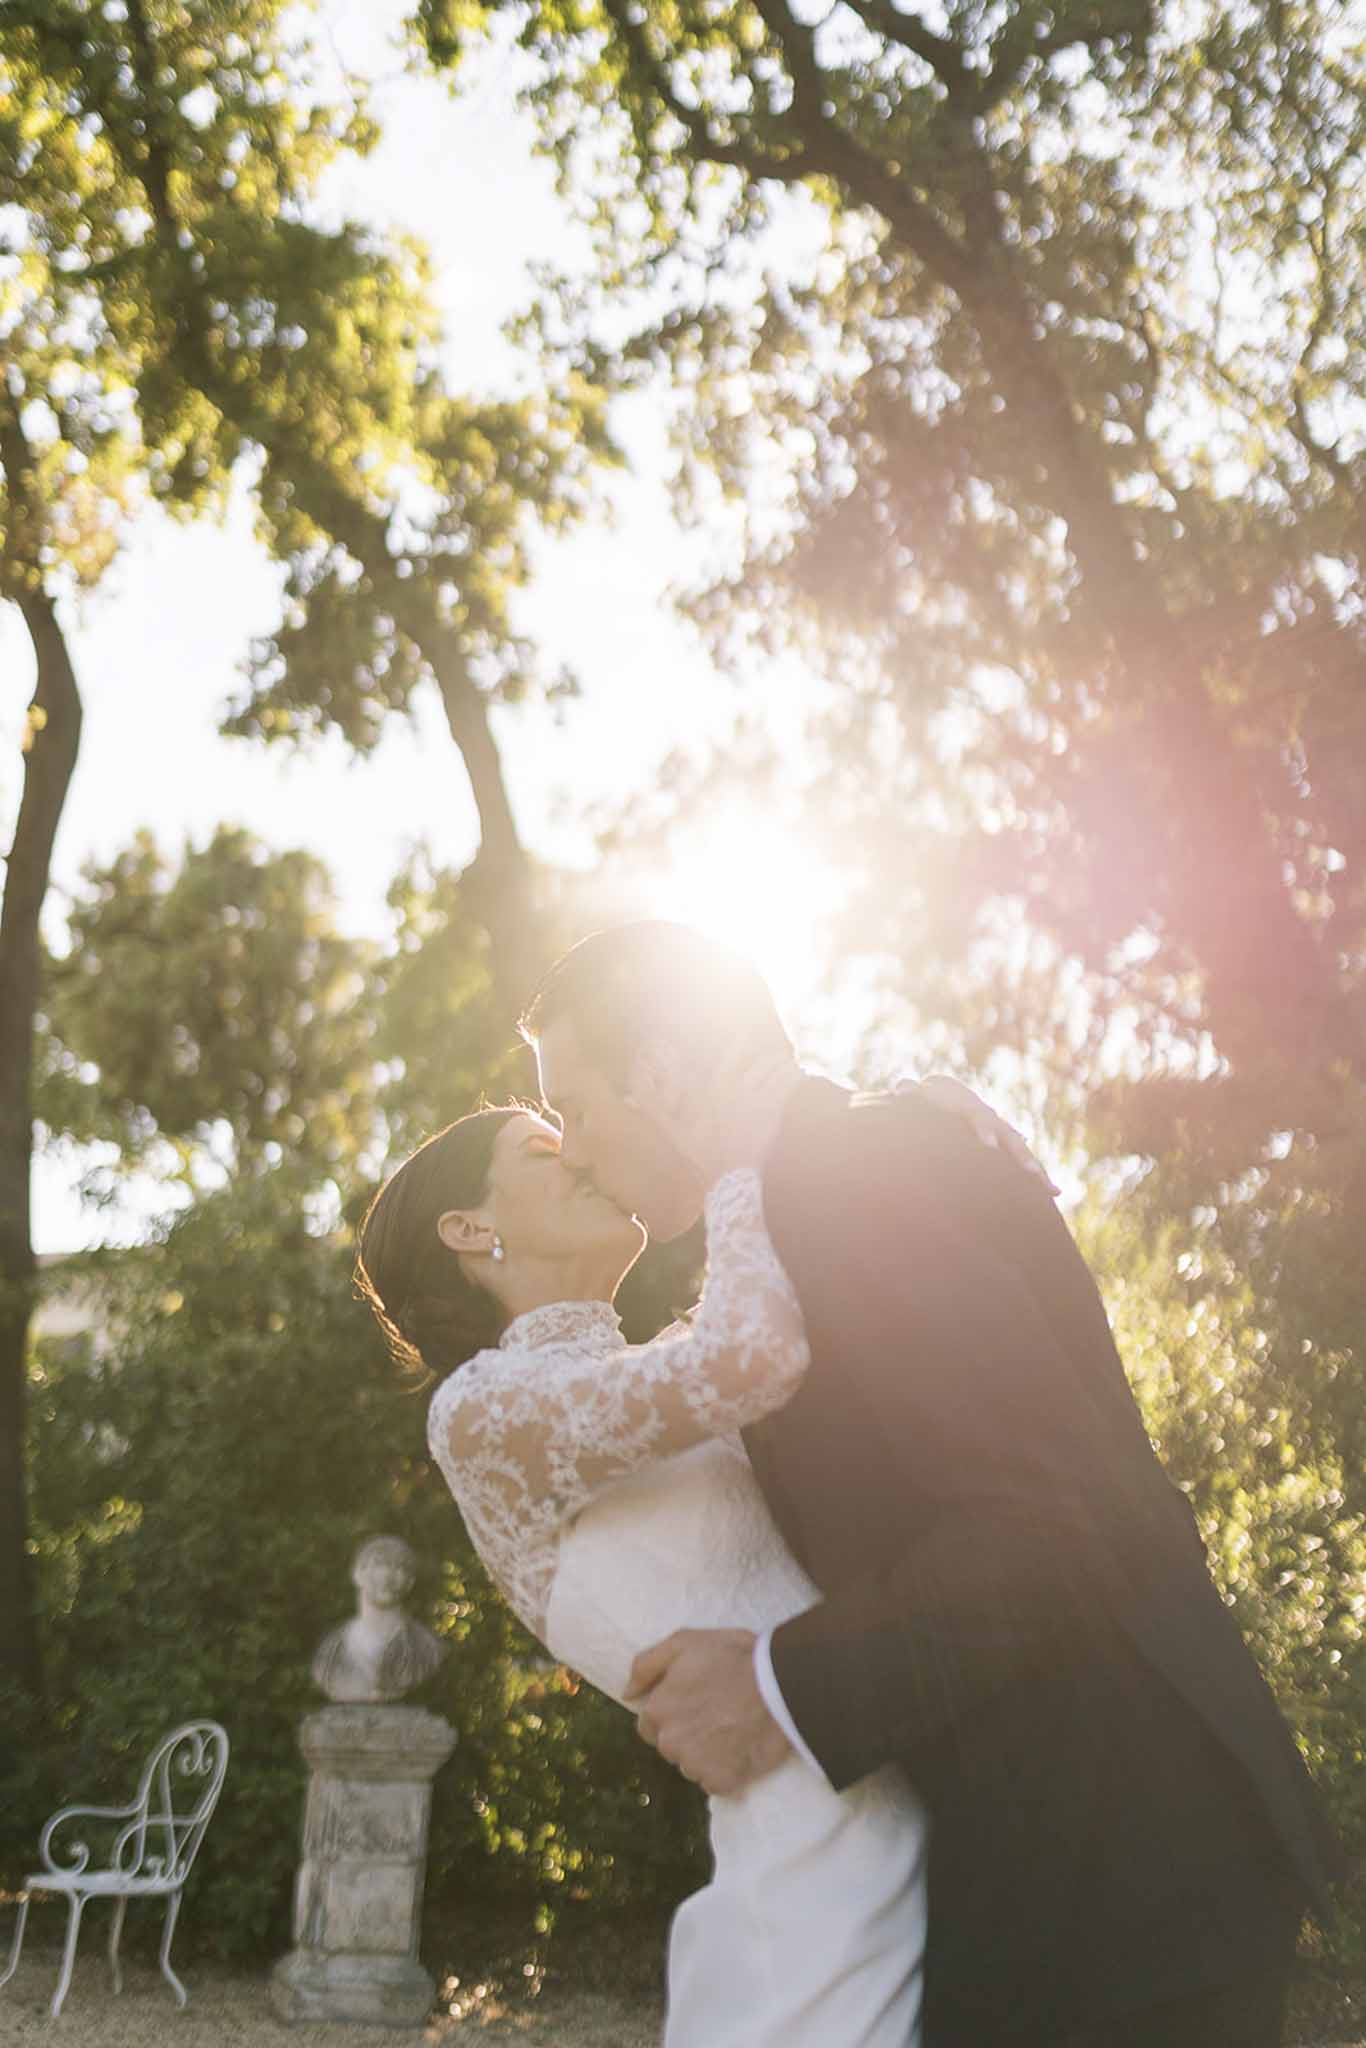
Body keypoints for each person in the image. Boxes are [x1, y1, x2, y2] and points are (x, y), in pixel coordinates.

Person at [520, 920, 1340, 2048]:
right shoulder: (813, 1184)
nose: (568, 1149)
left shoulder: (848, 1179)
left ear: (659, 1072)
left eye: (572, 1105)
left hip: (1123, 1863)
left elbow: (1054, 1522)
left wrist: (777, 1688)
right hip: (1053, 1864)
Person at [357, 1092, 1018, 2045]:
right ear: (470, 1227)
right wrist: (737, 1154)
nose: (582, 1155)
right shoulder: (481, 1415)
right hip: (816, 1881)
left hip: (939, 1820)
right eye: (546, 1147)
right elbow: (752, 1352)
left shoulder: (658, 1363)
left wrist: (916, 1128)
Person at [311, 1535, 446, 1704]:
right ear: (357, 1574)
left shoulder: (426, 1647)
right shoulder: (331, 1648)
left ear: (410, 1582)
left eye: (399, 1568)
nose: (388, 1577)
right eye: (379, 1565)